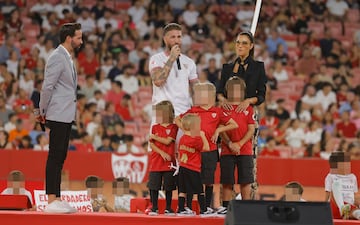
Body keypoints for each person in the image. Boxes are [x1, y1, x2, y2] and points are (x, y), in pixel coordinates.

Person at [35, 23, 83, 213]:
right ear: (69, 38)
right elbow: (47, 86)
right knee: (55, 156)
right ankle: (51, 200)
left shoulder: (66, 57)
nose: (82, 41)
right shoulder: (57, 57)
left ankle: (57, 197)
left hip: (64, 113)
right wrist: (42, 111)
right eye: (79, 37)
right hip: (56, 113)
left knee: (61, 156)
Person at [175, 83, 238, 214]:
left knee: (209, 179)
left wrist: (218, 130)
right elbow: (176, 119)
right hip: (195, 151)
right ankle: (188, 207)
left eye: (199, 93)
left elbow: (233, 124)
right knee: (192, 178)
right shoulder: (193, 110)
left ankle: (207, 206)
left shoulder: (217, 111)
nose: (196, 96)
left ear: (209, 95)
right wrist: (187, 131)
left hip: (210, 150)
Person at [216, 77, 256, 215]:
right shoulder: (222, 108)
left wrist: (239, 143)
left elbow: (251, 129)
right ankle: (226, 207)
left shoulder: (248, 108)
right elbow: (220, 129)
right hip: (227, 150)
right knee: (227, 180)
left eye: (238, 89)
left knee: (245, 180)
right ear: (227, 90)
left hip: (245, 150)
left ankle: (246, 207)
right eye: (232, 89)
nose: (235, 92)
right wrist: (230, 143)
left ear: (243, 91)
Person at [149, 22, 198, 117]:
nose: (176, 41)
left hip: (184, 113)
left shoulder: (189, 62)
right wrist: (171, 58)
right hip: (163, 114)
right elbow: (158, 81)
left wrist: (197, 110)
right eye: (173, 37)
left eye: (179, 37)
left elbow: (195, 89)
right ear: (164, 39)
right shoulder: (156, 59)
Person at [217, 31, 267, 113]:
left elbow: (261, 95)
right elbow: (219, 92)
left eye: (244, 43)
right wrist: (223, 100)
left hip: (248, 111)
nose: (240, 46)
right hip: (228, 111)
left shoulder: (258, 67)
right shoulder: (227, 68)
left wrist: (248, 101)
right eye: (238, 43)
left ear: (251, 46)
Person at [147, 100, 178, 216]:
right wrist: (161, 153)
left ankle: (168, 207)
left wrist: (154, 136)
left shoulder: (173, 127)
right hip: (156, 161)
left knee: (168, 186)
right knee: (154, 185)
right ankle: (154, 207)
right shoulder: (155, 127)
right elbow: (152, 144)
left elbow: (168, 141)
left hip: (169, 163)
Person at [176, 113, 210, 216]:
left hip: (182, 167)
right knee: (200, 190)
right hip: (193, 169)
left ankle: (181, 208)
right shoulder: (196, 139)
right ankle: (204, 210)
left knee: (182, 190)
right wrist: (203, 136)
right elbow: (207, 148)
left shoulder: (182, 139)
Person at [325, 151, 360, 220]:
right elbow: (328, 195)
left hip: (350, 207)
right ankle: (343, 210)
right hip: (336, 206)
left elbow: (355, 196)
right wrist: (324, 210)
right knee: (336, 184)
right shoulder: (331, 176)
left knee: (357, 212)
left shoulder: (352, 177)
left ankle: (347, 213)